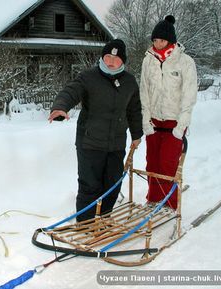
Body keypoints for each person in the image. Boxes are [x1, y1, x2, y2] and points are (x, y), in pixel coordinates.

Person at [49, 39, 143, 222]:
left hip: (116, 143)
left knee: (113, 184)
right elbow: (70, 91)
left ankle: (104, 219)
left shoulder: (130, 82)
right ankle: (85, 224)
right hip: (90, 142)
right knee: (90, 186)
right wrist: (60, 106)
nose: (110, 61)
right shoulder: (88, 77)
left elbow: (134, 109)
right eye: (107, 56)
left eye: (115, 58)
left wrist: (137, 134)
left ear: (123, 61)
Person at [139, 15, 198, 210]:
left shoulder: (185, 62)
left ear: (170, 41)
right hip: (154, 120)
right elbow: (144, 91)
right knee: (152, 163)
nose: (157, 44)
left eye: (161, 40)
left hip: (174, 121)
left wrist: (182, 125)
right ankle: (153, 198)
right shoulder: (148, 60)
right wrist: (145, 120)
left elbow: (189, 94)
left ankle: (169, 203)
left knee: (167, 164)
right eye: (154, 40)